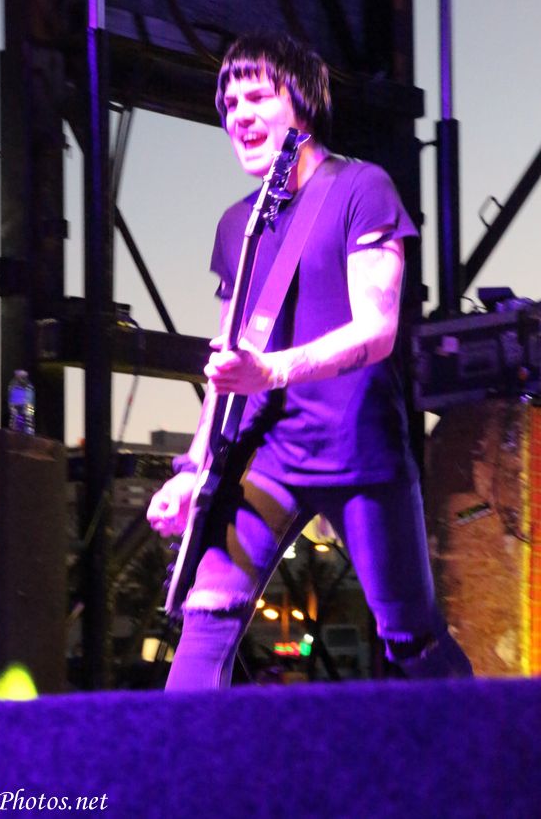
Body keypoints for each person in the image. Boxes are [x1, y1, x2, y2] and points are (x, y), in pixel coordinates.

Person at [147, 34, 472, 689]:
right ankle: (181, 756)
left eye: (256, 97)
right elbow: (228, 363)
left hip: (359, 451)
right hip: (269, 452)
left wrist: (272, 370)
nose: (238, 114)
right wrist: (193, 470)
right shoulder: (237, 225)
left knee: (412, 638)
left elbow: (377, 331)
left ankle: (495, 740)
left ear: (301, 102)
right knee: (207, 615)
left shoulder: (361, 187)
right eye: (229, 103)